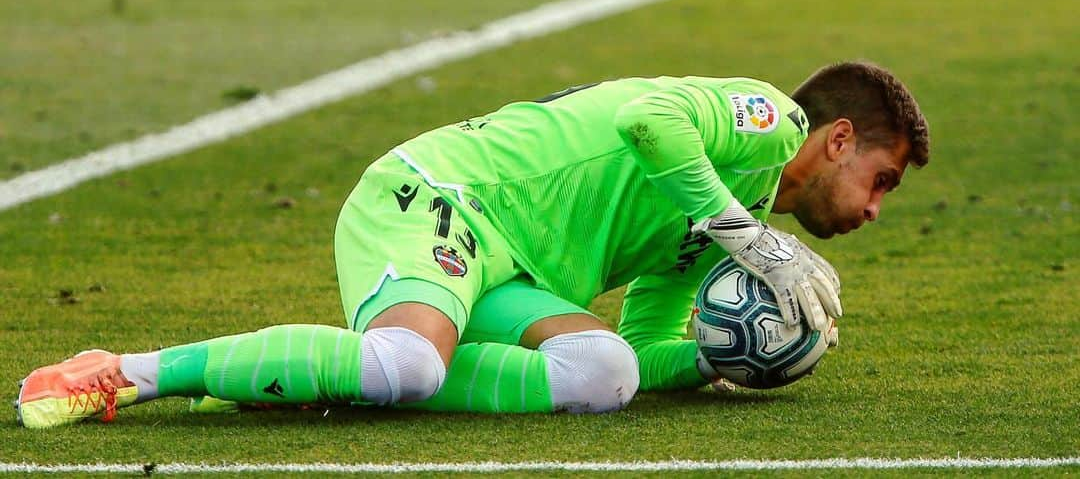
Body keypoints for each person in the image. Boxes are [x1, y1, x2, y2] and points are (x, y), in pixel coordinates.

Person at [17, 60, 927, 427]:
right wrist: (746, 235)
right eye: (882, 178)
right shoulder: (769, 121)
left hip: (515, 267)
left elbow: (645, 343)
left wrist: (723, 357)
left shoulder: (729, 222)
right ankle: (129, 371)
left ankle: (320, 371)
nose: (876, 206)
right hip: (443, 195)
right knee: (410, 365)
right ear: (839, 138)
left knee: (601, 373)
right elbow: (653, 119)